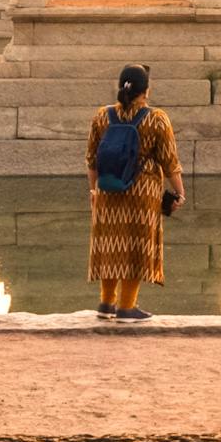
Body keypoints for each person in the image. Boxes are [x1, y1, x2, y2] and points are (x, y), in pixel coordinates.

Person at [86, 63, 184, 322]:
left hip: (108, 190)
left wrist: (93, 190)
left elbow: (91, 160)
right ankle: (127, 307)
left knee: (110, 244)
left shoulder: (102, 116)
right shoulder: (157, 118)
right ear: (146, 91)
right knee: (134, 246)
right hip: (142, 193)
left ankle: (106, 304)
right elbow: (169, 162)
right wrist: (179, 193)